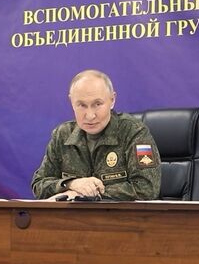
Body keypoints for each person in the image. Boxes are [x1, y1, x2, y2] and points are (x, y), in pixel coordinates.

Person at [31, 70, 161, 200]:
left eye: (97, 104)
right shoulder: (62, 135)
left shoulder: (133, 131)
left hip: (119, 213)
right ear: (72, 102)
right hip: (73, 213)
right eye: (82, 105)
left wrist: (87, 193)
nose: (90, 115)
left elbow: (146, 188)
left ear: (112, 100)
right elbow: (39, 184)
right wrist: (71, 184)